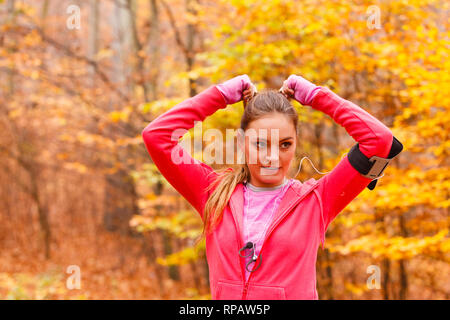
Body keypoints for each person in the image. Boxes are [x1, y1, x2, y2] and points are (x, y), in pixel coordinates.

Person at [142, 74, 401, 300]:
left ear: (296, 143)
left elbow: (379, 141)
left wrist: (316, 95)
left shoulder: (317, 200)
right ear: (242, 141)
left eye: (285, 144)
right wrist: (221, 94)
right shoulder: (213, 193)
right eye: (260, 144)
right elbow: (157, 137)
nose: (272, 157)